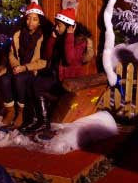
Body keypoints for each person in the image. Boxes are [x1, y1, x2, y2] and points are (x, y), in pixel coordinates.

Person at [23, 8, 94, 137]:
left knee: (37, 86)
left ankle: (44, 122)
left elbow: (69, 59)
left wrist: (69, 35)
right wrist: (52, 38)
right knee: (34, 83)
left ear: (68, 26)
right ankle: (40, 121)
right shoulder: (60, 36)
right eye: (56, 24)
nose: (56, 27)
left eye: (59, 25)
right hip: (56, 76)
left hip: (68, 80)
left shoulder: (80, 40)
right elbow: (47, 55)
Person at [0, 3, 49, 129]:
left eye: (34, 19)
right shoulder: (18, 34)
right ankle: (10, 112)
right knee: (4, 79)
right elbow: (11, 53)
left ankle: (22, 112)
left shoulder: (43, 37)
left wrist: (24, 67)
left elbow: (44, 61)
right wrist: (16, 66)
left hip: (32, 69)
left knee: (19, 78)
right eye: (28, 18)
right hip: (17, 67)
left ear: (39, 22)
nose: (30, 22)